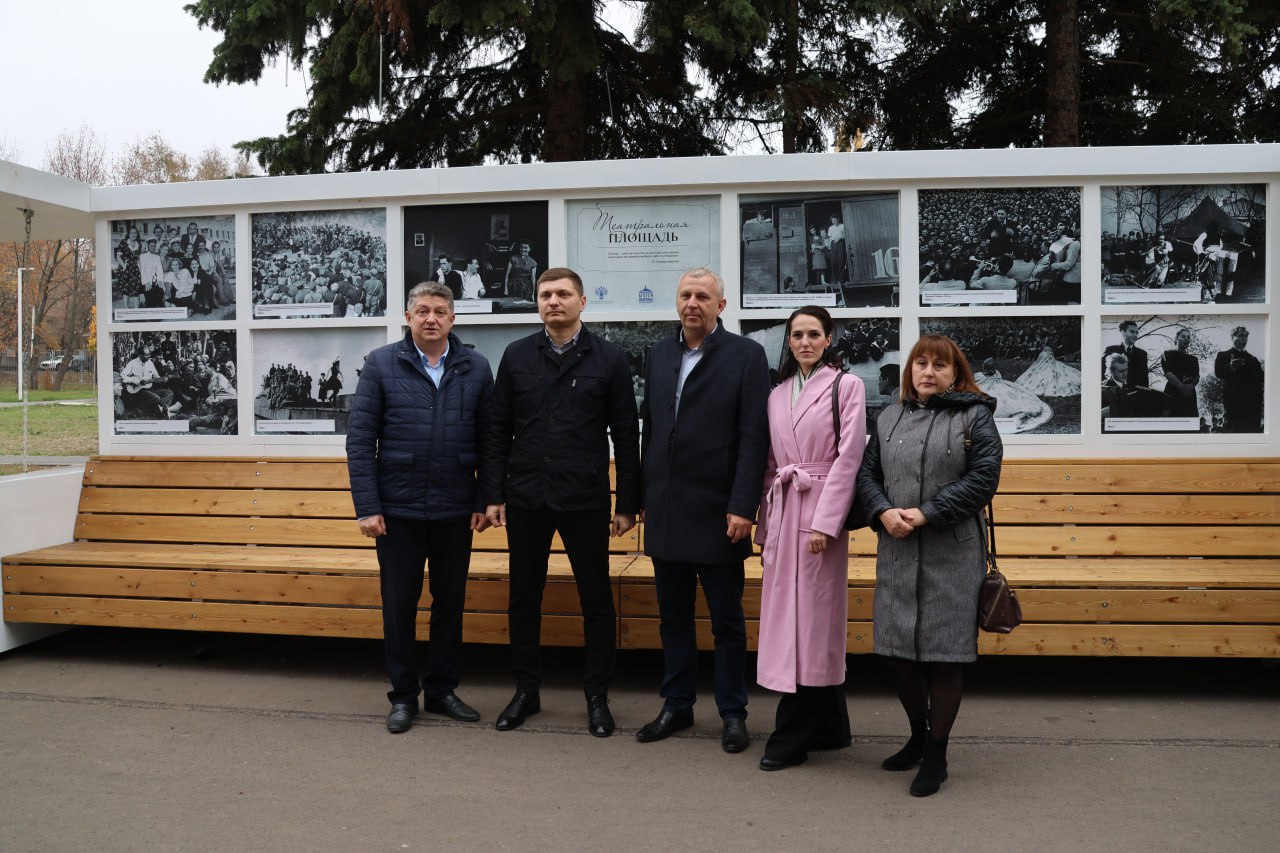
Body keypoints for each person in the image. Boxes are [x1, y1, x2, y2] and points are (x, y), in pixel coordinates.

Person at [482, 267, 640, 737]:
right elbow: (497, 430)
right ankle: (526, 691)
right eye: (546, 294)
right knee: (523, 598)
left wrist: (627, 502)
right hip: (527, 495)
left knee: (596, 598)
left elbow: (626, 435)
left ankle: (597, 695)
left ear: (582, 302)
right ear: (537, 303)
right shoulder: (516, 355)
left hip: (583, 496)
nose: (554, 301)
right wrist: (493, 494)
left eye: (563, 294)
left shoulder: (609, 358)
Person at [855, 334, 1002, 797]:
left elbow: (984, 477)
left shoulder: (974, 416)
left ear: (955, 374)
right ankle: (917, 736)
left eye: (940, 365)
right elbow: (867, 474)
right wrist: (882, 511)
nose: (928, 372)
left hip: (951, 552)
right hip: (897, 548)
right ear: (910, 371)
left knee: (944, 654)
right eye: (921, 363)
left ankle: (937, 753)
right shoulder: (889, 415)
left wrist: (926, 513)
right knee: (898, 652)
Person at [345, 281, 494, 734]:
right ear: (408, 317)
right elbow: (360, 440)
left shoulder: (475, 367)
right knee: (399, 606)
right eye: (423, 311)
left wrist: (484, 498)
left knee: (450, 603)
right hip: (398, 511)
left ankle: (443, 690)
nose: (431, 318)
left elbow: (490, 440)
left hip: (455, 509)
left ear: (453, 319)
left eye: (440, 311)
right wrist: (368, 507)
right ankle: (404, 696)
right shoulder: (381, 364)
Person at [637, 267, 770, 754]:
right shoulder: (658, 353)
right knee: (673, 619)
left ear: (721, 306)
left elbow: (754, 437)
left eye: (702, 296)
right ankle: (677, 704)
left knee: (726, 622)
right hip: (667, 509)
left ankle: (733, 713)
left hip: (719, 511)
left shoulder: (745, 355)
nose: (692, 303)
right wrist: (642, 498)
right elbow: (651, 430)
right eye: (685, 295)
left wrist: (743, 506)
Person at [754, 306, 866, 771]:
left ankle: (791, 734)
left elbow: (849, 457)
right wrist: (765, 525)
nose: (805, 342)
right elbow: (770, 464)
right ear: (789, 341)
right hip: (785, 508)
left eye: (813, 334)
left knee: (813, 619)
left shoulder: (847, 385)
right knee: (790, 616)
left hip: (820, 510)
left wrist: (827, 521)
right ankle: (830, 726)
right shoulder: (777, 393)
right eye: (797, 335)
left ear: (828, 338)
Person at [1214, 326, 1263, 432]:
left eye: (1246, 336)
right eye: (1241, 335)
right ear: (1232, 337)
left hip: (1253, 407)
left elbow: (1261, 379)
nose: (1244, 338)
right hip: (1234, 406)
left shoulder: (1253, 359)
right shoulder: (1223, 355)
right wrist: (1231, 366)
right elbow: (1218, 373)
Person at [1161, 328, 1200, 420]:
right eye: (1183, 336)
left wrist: (1191, 386)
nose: (1186, 339)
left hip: (1189, 395)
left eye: (1188, 337)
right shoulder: (1167, 354)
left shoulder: (1194, 359)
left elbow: (1197, 376)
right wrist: (1181, 387)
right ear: (1176, 338)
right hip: (1173, 394)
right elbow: (1168, 372)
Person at [1102, 320, 1149, 389]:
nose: (1135, 335)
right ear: (1123, 332)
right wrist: (1106, 388)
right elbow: (1100, 371)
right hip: (1114, 392)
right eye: (1132, 332)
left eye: (1136, 332)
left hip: (1135, 393)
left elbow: (1144, 379)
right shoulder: (1111, 350)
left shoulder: (1142, 354)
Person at [826, 214, 848, 285]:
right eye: (832, 220)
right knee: (834, 262)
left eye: (835, 220)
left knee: (841, 261)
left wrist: (840, 238)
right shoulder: (830, 228)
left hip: (840, 243)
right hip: (833, 245)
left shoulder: (842, 226)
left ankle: (841, 279)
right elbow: (830, 238)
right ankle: (834, 279)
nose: (833, 222)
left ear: (838, 219)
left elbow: (846, 235)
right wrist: (829, 246)